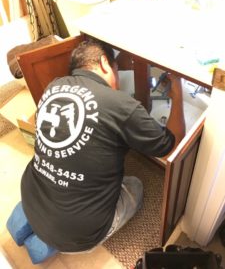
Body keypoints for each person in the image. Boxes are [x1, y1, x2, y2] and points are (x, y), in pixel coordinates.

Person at [21, 38, 185, 253]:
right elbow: (171, 146)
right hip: (79, 235)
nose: (117, 77)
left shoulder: (54, 86)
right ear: (105, 63)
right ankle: (56, 242)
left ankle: (34, 229)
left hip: (31, 198)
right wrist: (178, 95)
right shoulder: (121, 104)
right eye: (117, 69)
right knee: (135, 184)